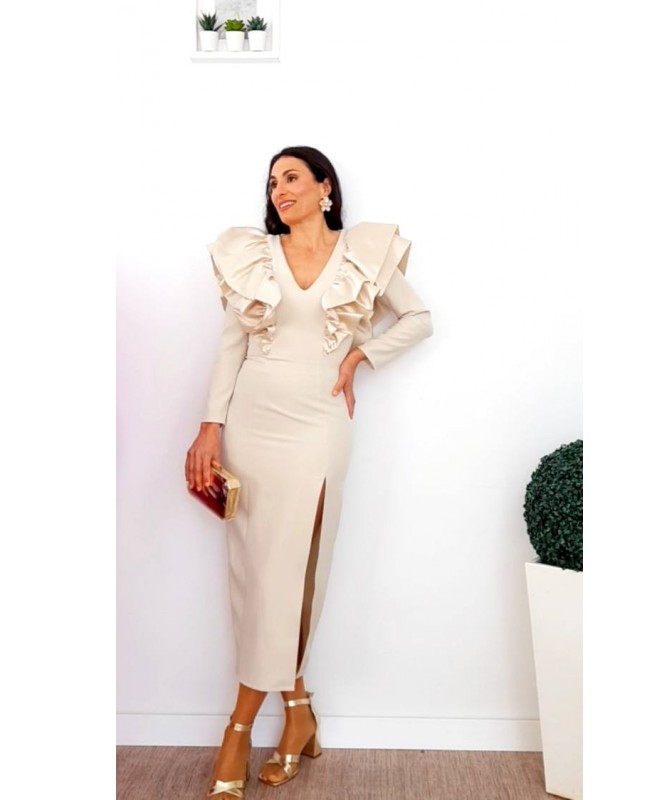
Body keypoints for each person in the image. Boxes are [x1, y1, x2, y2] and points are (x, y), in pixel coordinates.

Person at [185, 145, 433, 798]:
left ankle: (239, 728)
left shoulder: (362, 254)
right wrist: (210, 426)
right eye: (272, 182)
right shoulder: (254, 256)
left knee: (296, 573)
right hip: (252, 422)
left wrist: (359, 358)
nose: (279, 190)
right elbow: (231, 346)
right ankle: (296, 712)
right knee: (259, 576)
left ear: (326, 187)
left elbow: (418, 319)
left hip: (320, 424)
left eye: (292, 177)